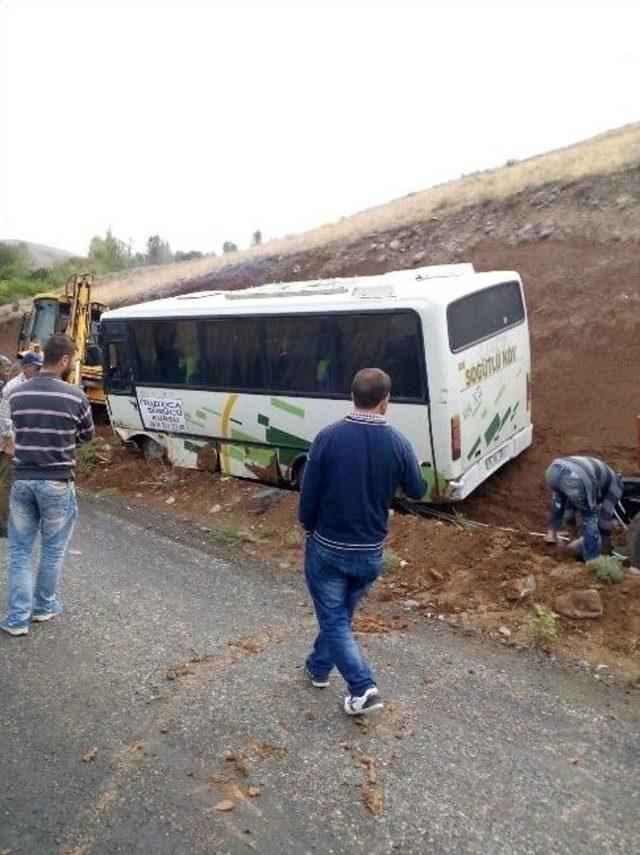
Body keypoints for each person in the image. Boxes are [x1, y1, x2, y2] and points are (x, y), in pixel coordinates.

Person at [299, 367, 425, 716]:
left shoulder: (328, 437)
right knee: (339, 617)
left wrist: (308, 528)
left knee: (334, 619)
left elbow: (308, 494)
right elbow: (418, 490)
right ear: (386, 402)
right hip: (370, 552)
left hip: (327, 547)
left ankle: (363, 688)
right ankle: (318, 668)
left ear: (351, 396)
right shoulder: (398, 442)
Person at [0, 335, 94, 636]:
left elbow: (13, 431)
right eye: (73, 360)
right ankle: (43, 607)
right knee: (52, 552)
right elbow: (87, 436)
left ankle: (16, 619)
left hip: (23, 480)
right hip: (57, 482)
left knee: (20, 551)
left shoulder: (15, 394)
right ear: (65, 360)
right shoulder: (76, 396)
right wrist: (62, 441)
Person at [544, 455, 624, 562]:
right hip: (576, 476)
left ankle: (551, 534)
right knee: (590, 516)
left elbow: (568, 510)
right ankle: (591, 559)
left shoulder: (600, 477)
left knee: (559, 499)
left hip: (554, 469)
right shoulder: (617, 485)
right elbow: (604, 517)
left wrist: (573, 535)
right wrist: (606, 546)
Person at [0, 351, 44, 537]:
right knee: (5, 482)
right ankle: (2, 524)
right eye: (37, 367)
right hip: (6, 441)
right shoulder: (12, 387)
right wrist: (10, 440)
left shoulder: (24, 385)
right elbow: (5, 417)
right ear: (27, 368)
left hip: (13, 438)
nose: (40, 371)